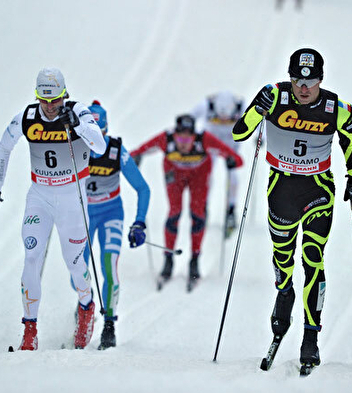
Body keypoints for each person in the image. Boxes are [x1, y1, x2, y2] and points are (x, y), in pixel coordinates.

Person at [232, 48, 352, 369]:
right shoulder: (274, 96)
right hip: (281, 191)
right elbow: (240, 133)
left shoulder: (338, 109)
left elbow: (351, 143)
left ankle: (310, 335)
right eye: (297, 81)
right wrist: (256, 110)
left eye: (311, 81)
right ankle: (284, 291)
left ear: (321, 79)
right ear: (291, 77)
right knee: (282, 259)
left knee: (313, 260)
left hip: (318, 190)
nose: (304, 88)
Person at [0, 68, 107, 350]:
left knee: (73, 261)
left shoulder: (78, 110)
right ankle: (29, 331)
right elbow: (4, 147)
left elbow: (99, 144)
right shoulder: (27, 116)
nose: (49, 107)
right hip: (40, 196)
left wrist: (79, 126)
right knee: (32, 256)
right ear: (37, 96)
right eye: (44, 100)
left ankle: (86, 308)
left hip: (72, 195)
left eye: (55, 100)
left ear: (64, 95)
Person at [130, 114, 243, 286]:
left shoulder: (204, 138)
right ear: (174, 134)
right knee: (174, 212)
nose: (183, 142)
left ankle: (195, 261)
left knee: (197, 214)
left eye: (187, 138)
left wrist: (230, 160)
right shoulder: (165, 139)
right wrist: (136, 158)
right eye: (180, 137)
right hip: (174, 173)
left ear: (193, 136)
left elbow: (237, 158)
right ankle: (168, 260)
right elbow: (136, 152)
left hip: (199, 174)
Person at [80, 100, 150, 350]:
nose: (95, 140)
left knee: (109, 266)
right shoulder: (75, 149)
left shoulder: (116, 151)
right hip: (83, 215)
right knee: (78, 268)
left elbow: (143, 188)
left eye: (101, 134)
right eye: (90, 135)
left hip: (111, 212)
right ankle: (84, 308)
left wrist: (139, 222)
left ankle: (109, 324)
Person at [191, 91, 246, 238]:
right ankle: (204, 208)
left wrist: (262, 137)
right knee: (206, 176)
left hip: (231, 146)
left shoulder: (242, 106)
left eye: (226, 118)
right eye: (219, 118)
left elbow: (258, 120)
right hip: (212, 145)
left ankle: (231, 210)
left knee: (233, 178)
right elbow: (189, 119)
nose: (222, 120)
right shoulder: (206, 105)